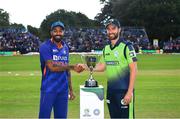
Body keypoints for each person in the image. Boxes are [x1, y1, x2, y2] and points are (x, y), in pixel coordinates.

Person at [81, 18, 138, 118]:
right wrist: (86, 67)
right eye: (108, 29)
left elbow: (134, 69)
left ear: (119, 29)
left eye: (113, 28)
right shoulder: (106, 48)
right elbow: (102, 66)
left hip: (124, 91)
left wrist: (129, 92)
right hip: (111, 92)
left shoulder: (127, 47)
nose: (111, 31)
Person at [38, 21, 84, 118]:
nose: (58, 33)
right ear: (51, 32)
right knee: (44, 117)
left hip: (63, 90)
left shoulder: (65, 47)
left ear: (63, 32)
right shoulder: (45, 46)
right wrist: (72, 67)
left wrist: (70, 90)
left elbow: (67, 71)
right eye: (55, 31)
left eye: (60, 31)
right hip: (48, 89)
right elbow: (52, 67)